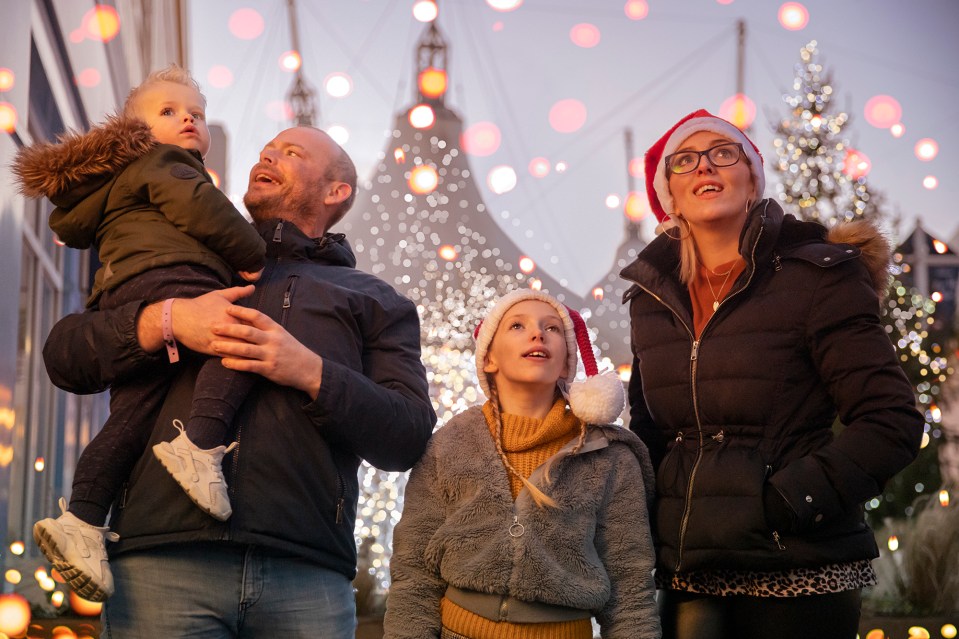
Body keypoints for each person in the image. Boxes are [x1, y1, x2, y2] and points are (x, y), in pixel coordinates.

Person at [41, 125, 436, 637]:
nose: (267, 156)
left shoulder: (378, 300)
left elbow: (407, 435)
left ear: (336, 192)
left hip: (306, 574)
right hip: (162, 562)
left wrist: (310, 372)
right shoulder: (182, 258)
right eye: (265, 148)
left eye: (290, 152)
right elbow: (64, 355)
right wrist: (167, 321)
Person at [620, 109, 924, 639]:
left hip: (798, 568)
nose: (705, 167)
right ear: (667, 192)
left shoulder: (819, 276)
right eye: (685, 160)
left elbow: (890, 419)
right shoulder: (649, 297)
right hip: (691, 572)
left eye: (723, 153)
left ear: (751, 176)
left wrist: (789, 500)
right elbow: (651, 434)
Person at [14, 64, 269, 600]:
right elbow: (201, 210)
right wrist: (251, 255)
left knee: (130, 417)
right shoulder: (166, 163)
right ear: (135, 134)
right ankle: (199, 444)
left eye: (196, 114)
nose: (188, 121)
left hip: (127, 291)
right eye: (169, 112)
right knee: (235, 335)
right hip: (173, 278)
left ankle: (81, 519)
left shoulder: (120, 185)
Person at [385, 289, 661, 639]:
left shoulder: (607, 454)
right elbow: (415, 570)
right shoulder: (448, 445)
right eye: (517, 325)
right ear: (489, 358)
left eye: (553, 328)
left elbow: (630, 585)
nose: (537, 333)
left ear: (565, 362)